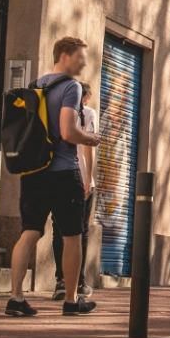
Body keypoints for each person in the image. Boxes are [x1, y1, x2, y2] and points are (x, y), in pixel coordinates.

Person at [5, 37, 101, 317]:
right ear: (65, 55)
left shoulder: (36, 85)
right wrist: (91, 138)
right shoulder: (70, 87)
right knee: (72, 235)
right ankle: (71, 300)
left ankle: (15, 298)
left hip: (34, 172)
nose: (84, 62)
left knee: (29, 232)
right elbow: (68, 131)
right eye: (81, 57)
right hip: (63, 171)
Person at [52, 81, 97, 301]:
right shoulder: (88, 113)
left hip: (57, 175)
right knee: (80, 232)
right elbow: (89, 148)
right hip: (79, 177)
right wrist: (89, 179)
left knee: (58, 230)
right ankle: (78, 282)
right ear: (86, 97)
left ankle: (60, 281)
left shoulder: (58, 110)